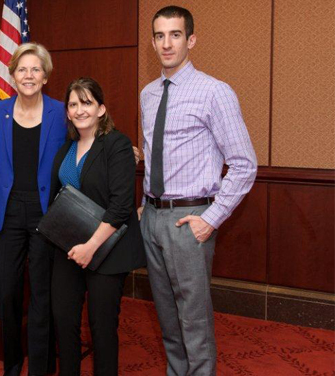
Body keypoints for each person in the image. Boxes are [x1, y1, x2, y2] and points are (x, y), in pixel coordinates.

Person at [139, 6, 257, 376]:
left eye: (175, 35)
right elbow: (157, 152)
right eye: (159, 36)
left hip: (190, 220)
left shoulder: (214, 92)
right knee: (167, 318)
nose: (166, 44)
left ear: (191, 40)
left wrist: (211, 219)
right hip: (153, 218)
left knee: (194, 320)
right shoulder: (148, 94)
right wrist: (145, 204)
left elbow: (244, 163)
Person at [49, 77, 146, 376]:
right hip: (68, 249)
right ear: (67, 111)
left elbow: (120, 206)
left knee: (102, 327)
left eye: (87, 103)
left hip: (107, 249)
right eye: (74, 104)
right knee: (64, 322)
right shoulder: (65, 149)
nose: (80, 110)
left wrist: (91, 247)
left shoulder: (116, 144)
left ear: (101, 109)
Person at [0, 42, 64, 376]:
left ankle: (41, 368)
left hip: (47, 212)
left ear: (45, 76)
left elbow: (90, 138)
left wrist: (122, 150)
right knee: (7, 295)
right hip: (6, 214)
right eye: (23, 69)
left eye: (36, 69)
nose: (29, 75)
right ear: (12, 74)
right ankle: (13, 365)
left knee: (42, 295)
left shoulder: (61, 113)